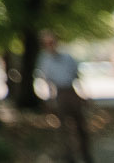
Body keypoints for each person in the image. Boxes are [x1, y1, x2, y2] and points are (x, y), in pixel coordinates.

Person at [41, 32, 96, 163]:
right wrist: (50, 100)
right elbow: (48, 83)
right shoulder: (46, 62)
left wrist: (83, 94)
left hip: (71, 92)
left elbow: (77, 77)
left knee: (81, 126)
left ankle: (86, 154)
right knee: (63, 129)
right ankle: (68, 157)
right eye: (47, 43)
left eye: (52, 42)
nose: (51, 45)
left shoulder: (67, 58)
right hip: (59, 94)